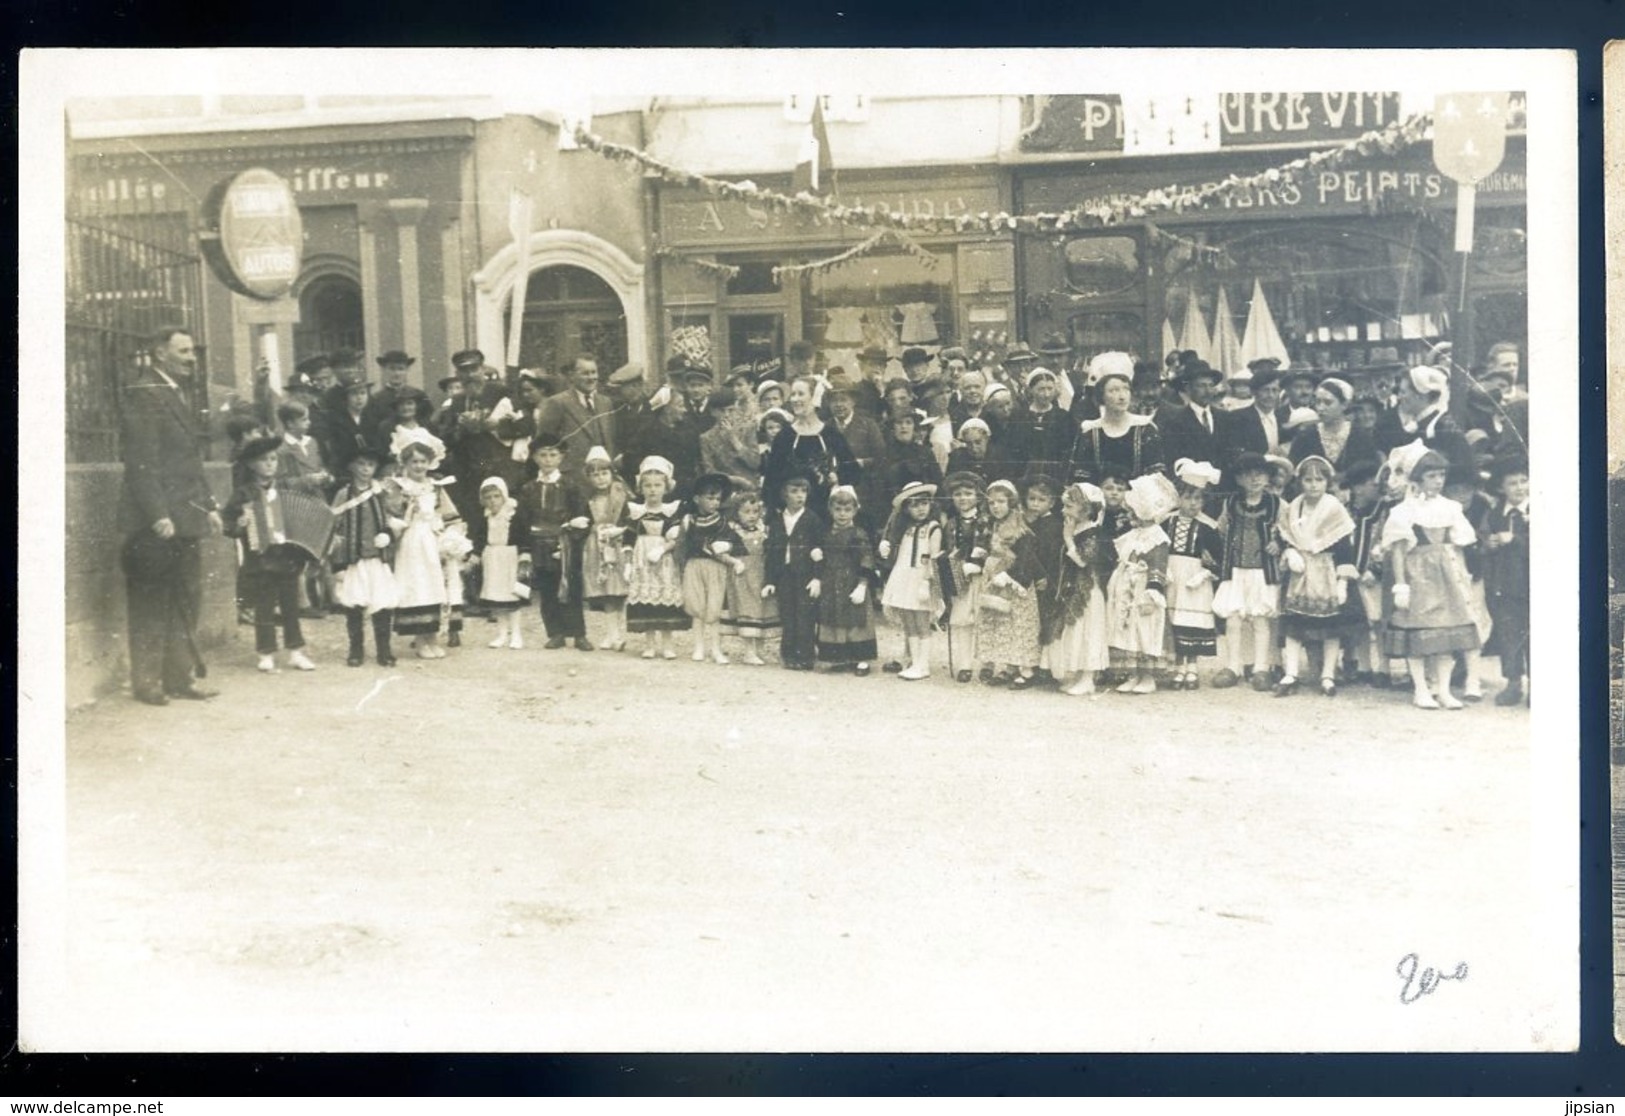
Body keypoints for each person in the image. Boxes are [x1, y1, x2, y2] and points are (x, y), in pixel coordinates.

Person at [118, 326, 223, 705]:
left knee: (185, 597)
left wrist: (209, 505)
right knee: (152, 599)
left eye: (192, 351)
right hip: (156, 524)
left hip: (186, 517)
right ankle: (147, 684)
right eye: (183, 352)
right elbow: (141, 462)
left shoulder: (175, 394)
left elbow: (190, 461)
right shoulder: (144, 393)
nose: (192, 358)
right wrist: (157, 514)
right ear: (160, 354)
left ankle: (179, 678)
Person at [1380, 447, 1482, 709]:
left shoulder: (1450, 507)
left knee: (1446, 634)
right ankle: (1421, 689)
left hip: (1446, 573)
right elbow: (1399, 551)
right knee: (1420, 635)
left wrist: (1458, 569)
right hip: (1420, 575)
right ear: (1417, 480)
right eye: (1432, 476)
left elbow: (1460, 541)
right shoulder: (1404, 511)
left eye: (1441, 475)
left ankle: (1444, 690)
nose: (1439, 481)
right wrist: (1401, 585)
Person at [222, 432, 318, 675]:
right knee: (264, 607)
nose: (270, 464)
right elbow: (228, 524)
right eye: (264, 459)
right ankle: (266, 653)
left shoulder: (284, 489)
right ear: (252, 464)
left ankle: (295, 652)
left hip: (286, 557)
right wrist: (240, 524)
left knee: (290, 606)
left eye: (274, 459)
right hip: (261, 558)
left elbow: (299, 516)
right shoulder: (244, 494)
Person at [1274, 456, 1361, 697]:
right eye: (1308, 480)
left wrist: (1342, 582)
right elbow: (1283, 536)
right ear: (1300, 482)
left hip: (1325, 572)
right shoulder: (1294, 507)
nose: (1313, 485)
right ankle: (1291, 673)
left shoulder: (1334, 508)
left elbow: (1345, 547)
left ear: (1327, 482)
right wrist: (1290, 551)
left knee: (1329, 627)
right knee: (1294, 625)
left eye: (1319, 480)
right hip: (1300, 573)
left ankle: (1328, 674)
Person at [384, 428, 464, 659]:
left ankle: (432, 637)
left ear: (430, 462)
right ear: (405, 463)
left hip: (433, 540)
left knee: (436, 587)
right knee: (418, 586)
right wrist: (406, 513)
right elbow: (391, 515)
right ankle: (419, 639)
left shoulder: (436, 487)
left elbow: (451, 515)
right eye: (414, 462)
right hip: (412, 543)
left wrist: (452, 536)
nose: (419, 466)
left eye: (423, 461)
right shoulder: (399, 487)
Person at [1211, 451, 1284, 691]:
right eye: (1248, 476)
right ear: (1239, 479)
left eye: (1260, 475)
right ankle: (1233, 666)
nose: (1254, 480)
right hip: (1235, 568)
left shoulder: (1277, 503)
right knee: (1233, 619)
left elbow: (1291, 529)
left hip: (1263, 570)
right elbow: (1222, 528)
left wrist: (1279, 543)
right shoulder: (1231, 502)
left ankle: (1261, 667)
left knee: (1260, 619)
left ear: (1267, 478)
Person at [514, 434, 590, 651]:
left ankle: (578, 634)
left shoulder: (571, 486)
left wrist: (570, 542)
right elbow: (523, 521)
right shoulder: (529, 488)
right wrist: (526, 549)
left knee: (571, 587)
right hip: (539, 545)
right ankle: (555, 633)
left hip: (564, 544)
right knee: (547, 590)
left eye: (553, 455)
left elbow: (582, 518)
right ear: (535, 458)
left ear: (561, 457)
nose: (548, 460)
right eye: (543, 455)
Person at [328, 443, 399, 667]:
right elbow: (334, 526)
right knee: (354, 605)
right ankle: (356, 650)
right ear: (352, 466)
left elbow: (393, 518)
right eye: (361, 464)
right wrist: (337, 561)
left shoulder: (382, 493)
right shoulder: (343, 494)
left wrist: (388, 534)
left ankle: (384, 651)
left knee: (382, 604)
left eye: (370, 464)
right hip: (354, 559)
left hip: (377, 558)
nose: (366, 469)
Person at [1105, 474, 1176, 695]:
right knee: (1128, 629)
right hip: (1128, 587)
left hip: (1143, 588)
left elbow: (1158, 566)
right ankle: (1133, 673)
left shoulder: (1157, 536)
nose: (1131, 513)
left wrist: (1152, 592)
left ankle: (1147, 675)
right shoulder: (1133, 534)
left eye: (1134, 508)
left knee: (1145, 629)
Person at [1046, 482, 1114, 697]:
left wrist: (1068, 539)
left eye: (1069, 506)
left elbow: (1084, 561)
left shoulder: (1094, 532)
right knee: (1074, 632)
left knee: (1088, 632)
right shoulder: (1076, 528)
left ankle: (1088, 678)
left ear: (1085, 509)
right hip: (1071, 587)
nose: (1063, 510)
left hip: (1088, 590)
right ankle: (1075, 675)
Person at [1164, 459, 1224, 690]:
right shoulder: (1166, 522)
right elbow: (1158, 547)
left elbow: (1217, 558)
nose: (1193, 503)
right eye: (1188, 497)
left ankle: (1192, 667)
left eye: (1198, 498)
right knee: (1174, 621)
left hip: (1195, 580)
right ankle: (1178, 667)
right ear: (1179, 498)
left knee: (1192, 622)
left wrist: (1206, 572)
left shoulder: (1208, 527)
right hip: (1173, 576)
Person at [977, 478, 1043, 688]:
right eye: (992, 503)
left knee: (1019, 624)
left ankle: (1026, 670)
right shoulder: (993, 525)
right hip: (996, 578)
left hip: (1014, 580)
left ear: (1011, 503)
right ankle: (1007, 667)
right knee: (1001, 624)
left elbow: (1027, 556)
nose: (996, 507)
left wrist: (1010, 575)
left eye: (1001, 502)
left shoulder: (1019, 526)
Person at [761, 375, 861, 513]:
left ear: (815, 398)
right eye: (793, 394)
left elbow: (853, 471)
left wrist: (837, 477)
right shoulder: (784, 437)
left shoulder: (831, 434)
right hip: (792, 513)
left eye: (801, 394)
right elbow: (771, 481)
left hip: (825, 511)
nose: (795, 399)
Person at [625, 455, 691, 659]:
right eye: (648, 486)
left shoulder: (671, 512)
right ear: (641, 488)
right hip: (641, 558)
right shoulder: (636, 512)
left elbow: (677, 538)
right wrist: (627, 563)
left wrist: (662, 549)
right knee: (646, 599)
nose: (653, 490)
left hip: (664, 557)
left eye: (657, 485)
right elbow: (628, 538)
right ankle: (650, 643)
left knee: (664, 597)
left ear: (666, 487)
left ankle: (668, 644)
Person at [1479, 455, 1531, 706]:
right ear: (1501, 488)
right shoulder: (1495, 514)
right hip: (1503, 586)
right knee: (1508, 635)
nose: (1520, 487)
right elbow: (1482, 538)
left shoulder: (1538, 509)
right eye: (1513, 483)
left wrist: (1517, 539)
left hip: (1532, 585)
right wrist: (1487, 544)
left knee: (1534, 634)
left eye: (1524, 481)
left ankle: (1538, 684)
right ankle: (1513, 683)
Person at [880, 481, 944, 681]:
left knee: (921, 621)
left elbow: (933, 558)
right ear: (906, 508)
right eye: (914, 505)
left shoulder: (934, 528)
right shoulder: (905, 528)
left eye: (924, 503)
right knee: (908, 620)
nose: (920, 509)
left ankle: (923, 664)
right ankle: (914, 662)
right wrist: (886, 546)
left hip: (921, 579)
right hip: (904, 576)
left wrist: (927, 581)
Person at [681, 472, 746, 665]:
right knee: (697, 607)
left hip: (716, 568)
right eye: (710, 498)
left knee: (715, 608)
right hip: (694, 566)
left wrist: (726, 545)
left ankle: (716, 649)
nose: (714, 502)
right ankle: (699, 647)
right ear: (697, 499)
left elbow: (738, 542)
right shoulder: (689, 521)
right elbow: (682, 545)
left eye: (718, 498)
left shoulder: (722, 522)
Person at [764, 471, 826, 671]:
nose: (800, 495)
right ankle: (789, 654)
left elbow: (819, 549)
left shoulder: (812, 519)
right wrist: (770, 580)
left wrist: (817, 577)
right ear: (784, 494)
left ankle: (806, 656)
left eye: (804, 491)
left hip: (805, 575)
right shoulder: (777, 521)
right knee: (788, 614)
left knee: (805, 615)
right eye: (794, 491)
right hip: (785, 574)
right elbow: (773, 553)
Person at [815, 486, 879, 675]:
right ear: (830, 510)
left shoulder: (858, 534)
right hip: (831, 581)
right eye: (838, 509)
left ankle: (862, 659)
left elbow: (866, 558)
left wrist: (862, 585)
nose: (842, 514)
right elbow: (823, 558)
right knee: (834, 616)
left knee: (856, 618)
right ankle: (839, 657)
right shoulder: (826, 534)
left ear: (855, 510)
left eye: (847, 510)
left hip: (852, 580)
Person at [1070, 361, 1166, 484]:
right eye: (1114, 390)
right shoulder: (1090, 431)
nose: (1122, 396)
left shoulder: (1145, 429)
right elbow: (1083, 477)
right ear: (1101, 396)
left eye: (1126, 389)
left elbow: (1156, 476)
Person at [579, 445, 632, 652]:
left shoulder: (621, 494)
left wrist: (620, 531)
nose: (600, 478)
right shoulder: (589, 498)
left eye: (604, 473)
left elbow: (630, 519)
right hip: (597, 545)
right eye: (595, 475)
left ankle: (619, 633)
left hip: (617, 544)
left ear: (611, 473)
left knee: (620, 589)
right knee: (607, 591)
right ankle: (612, 635)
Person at [940, 472, 991, 682]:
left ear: (978, 497)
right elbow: (947, 547)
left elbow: (990, 546)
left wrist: (978, 564)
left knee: (985, 619)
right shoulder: (951, 523)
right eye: (958, 494)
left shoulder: (986, 521)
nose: (963, 498)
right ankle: (964, 664)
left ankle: (988, 663)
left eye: (968, 493)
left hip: (981, 575)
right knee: (961, 620)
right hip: (959, 575)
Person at [534, 354, 618, 482]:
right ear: (572, 376)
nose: (591, 378)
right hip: (572, 479)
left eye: (594, 372)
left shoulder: (606, 402)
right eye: (585, 373)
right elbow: (544, 442)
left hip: (603, 478)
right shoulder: (557, 403)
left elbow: (610, 440)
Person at [721, 484, 777, 666]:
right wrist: (734, 562)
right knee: (748, 610)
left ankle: (760, 650)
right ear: (737, 513)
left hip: (761, 575)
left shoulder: (764, 530)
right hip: (743, 576)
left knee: (764, 610)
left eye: (755, 511)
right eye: (747, 512)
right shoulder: (733, 532)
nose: (752, 516)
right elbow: (721, 552)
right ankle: (749, 651)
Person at [469, 477, 527, 650]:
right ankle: (502, 634)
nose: (493, 501)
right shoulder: (485, 518)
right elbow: (479, 538)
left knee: (513, 596)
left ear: (504, 497)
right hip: (492, 558)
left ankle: (516, 634)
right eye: (488, 497)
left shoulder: (513, 515)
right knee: (497, 597)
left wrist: (525, 553)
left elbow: (524, 536)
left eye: (496, 496)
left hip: (510, 557)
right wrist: (476, 554)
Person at [1289, 376, 1378, 482]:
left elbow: (1370, 474)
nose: (1321, 408)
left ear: (1344, 405)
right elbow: (1294, 473)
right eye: (1318, 402)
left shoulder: (1360, 436)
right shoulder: (1306, 436)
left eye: (1327, 402)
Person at [1157, 360, 1227, 480]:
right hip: (1192, 488)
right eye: (1201, 386)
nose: (1208, 391)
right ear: (1188, 389)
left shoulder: (1225, 417)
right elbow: (1173, 460)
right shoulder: (1175, 421)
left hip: (1223, 485)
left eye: (1211, 385)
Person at [698, 387, 762, 481]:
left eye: (731, 410)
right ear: (713, 412)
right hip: (724, 487)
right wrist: (733, 479)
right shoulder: (706, 438)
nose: (727, 415)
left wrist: (734, 439)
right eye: (722, 411)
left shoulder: (748, 429)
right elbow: (709, 470)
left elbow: (756, 463)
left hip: (751, 486)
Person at [362, 350, 419, 435]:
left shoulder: (417, 395)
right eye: (392, 369)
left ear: (407, 370)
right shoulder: (376, 399)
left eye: (401, 369)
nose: (396, 373)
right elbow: (371, 428)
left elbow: (426, 424)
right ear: (384, 370)